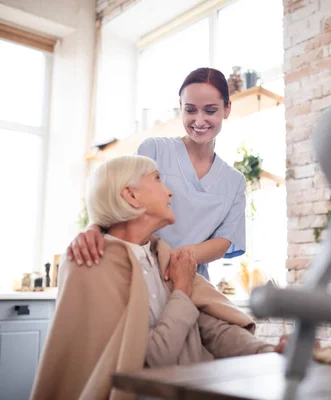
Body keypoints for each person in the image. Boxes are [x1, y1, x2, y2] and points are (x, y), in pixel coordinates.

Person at [30, 155, 285, 400]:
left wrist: (271, 352)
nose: (170, 192)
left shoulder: (162, 256)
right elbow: (151, 361)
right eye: (157, 179)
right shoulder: (91, 266)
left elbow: (213, 329)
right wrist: (182, 289)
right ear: (130, 194)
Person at [67, 67, 245, 280]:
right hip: (136, 271)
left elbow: (222, 243)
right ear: (180, 107)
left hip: (189, 281)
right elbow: (114, 195)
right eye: (190, 110)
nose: (199, 121)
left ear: (227, 109)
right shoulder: (153, 150)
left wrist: (173, 259)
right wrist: (93, 228)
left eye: (210, 110)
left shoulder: (234, 182)